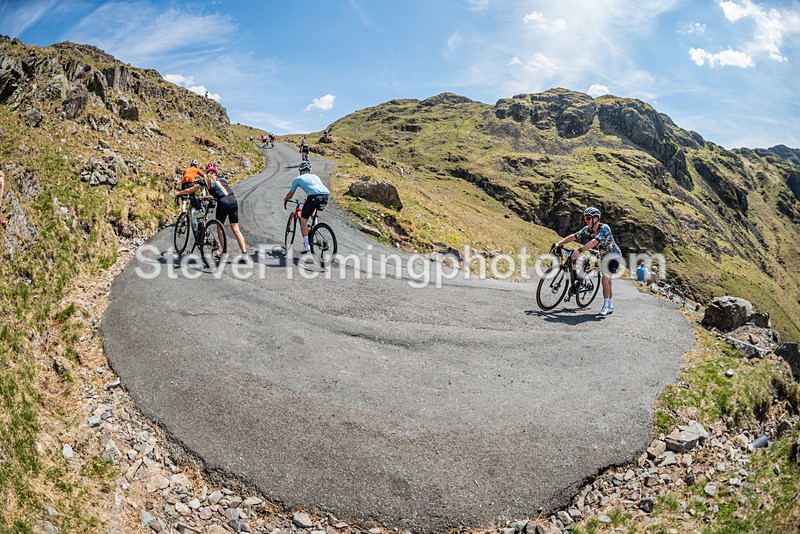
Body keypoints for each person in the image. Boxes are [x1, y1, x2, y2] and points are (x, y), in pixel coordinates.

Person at [551, 207, 622, 317]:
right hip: (603, 255)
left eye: (588, 218)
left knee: (605, 281)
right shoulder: (588, 229)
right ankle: (610, 304)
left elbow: (594, 242)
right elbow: (574, 236)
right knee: (608, 282)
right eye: (585, 218)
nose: (586, 220)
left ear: (596, 219)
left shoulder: (605, 228)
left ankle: (606, 306)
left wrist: (580, 250)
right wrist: (559, 243)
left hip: (614, 256)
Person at [174, 167, 247, 261]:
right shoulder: (222, 179)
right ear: (215, 172)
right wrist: (205, 197)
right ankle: (244, 254)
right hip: (233, 200)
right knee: (236, 229)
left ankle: (224, 253)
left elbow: (190, 190)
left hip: (223, 202)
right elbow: (220, 193)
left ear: (208, 172)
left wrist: (178, 193)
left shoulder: (206, 180)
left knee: (219, 229)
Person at [283, 161, 330, 254]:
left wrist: (286, 199)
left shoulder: (297, 179)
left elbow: (290, 195)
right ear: (309, 171)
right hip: (325, 195)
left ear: (300, 171)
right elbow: (317, 190)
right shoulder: (315, 176)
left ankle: (306, 245)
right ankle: (315, 228)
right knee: (312, 207)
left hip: (313, 197)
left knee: (303, 220)